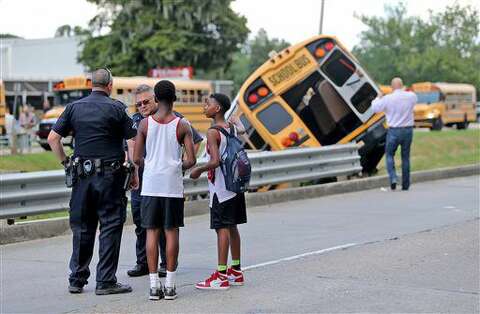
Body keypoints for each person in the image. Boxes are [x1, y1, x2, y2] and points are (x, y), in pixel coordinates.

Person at [47, 68, 138, 295]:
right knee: (110, 225)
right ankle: (105, 281)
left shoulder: (73, 108)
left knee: (82, 227)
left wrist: (66, 163)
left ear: (91, 85)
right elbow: (133, 139)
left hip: (81, 177)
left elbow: (53, 138)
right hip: (110, 177)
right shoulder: (117, 108)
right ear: (109, 85)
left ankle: (76, 280)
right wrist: (133, 167)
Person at [127, 84, 203, 278]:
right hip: (144, 181)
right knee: (145, 225)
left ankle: (164, 266)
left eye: (146, 101)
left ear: (156, 99)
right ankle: (146, 265)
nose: (142, 106)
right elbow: (130, 152)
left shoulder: (175, 120)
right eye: (139, 104)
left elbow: (195, 140)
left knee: (161, 229)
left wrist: (175, 165)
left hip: (156, 179)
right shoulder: (137, 121)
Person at [190, 93, 247, 290]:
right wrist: (238, 121)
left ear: (218, 109)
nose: (204, 106)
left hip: (221, 190)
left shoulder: (213, 132)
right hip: (235, 187)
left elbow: (215, 161)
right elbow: (241, 129)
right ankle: (236, 271)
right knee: (232, 227)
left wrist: (198, 169)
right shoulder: (230, 127)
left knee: (221, 228)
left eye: (208, 104)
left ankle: (221, 275)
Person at [372, 77, 417, 191]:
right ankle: (405, 184)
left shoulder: (388, 98)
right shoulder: (411, 96)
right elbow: (414, 100)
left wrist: (378, 97)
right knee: (405, 157)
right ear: (402, 86)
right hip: (408, 130)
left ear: (391, 87)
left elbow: (375, 108)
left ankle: (393, 178)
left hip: (394, 131)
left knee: (389, 155)